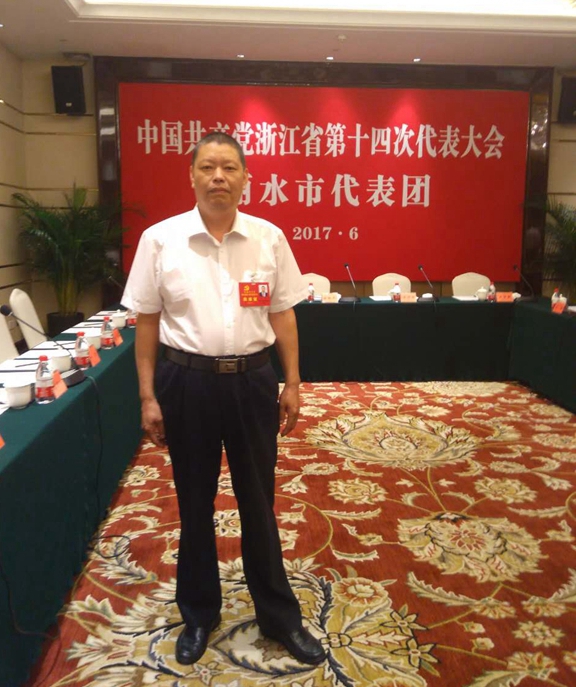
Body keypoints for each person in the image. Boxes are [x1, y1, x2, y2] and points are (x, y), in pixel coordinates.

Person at [122, 132, 326, 666]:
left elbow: (283, 313)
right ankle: (198, 613)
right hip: (185, 383)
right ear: (191, 175)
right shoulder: (160, 240)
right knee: (193, 502)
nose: (219, 177)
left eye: (230, 168)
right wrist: (147, 395)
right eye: (208, 167)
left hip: (252, 382)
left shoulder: (268, 238)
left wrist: (293, 382)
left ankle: (279, 616)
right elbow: (147, 322)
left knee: (259, 500)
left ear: (245, 178)